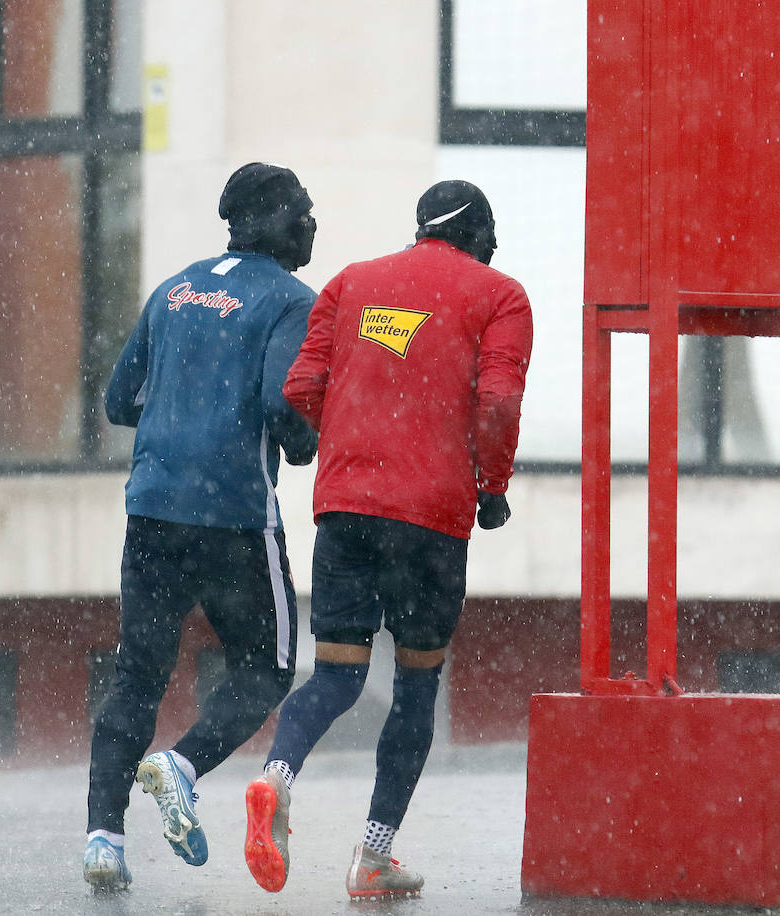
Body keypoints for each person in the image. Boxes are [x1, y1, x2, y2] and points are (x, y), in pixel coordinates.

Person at [242, 179, 533, 898]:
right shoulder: (501, 296)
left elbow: (301, 388)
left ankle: (276, 774)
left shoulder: (351, 282)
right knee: (415, 685)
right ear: (480, 233)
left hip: (345, 509)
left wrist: (351, 439)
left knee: (336, 673)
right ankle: (372, 858)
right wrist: (491, 486)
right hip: (430, 518)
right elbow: (497, 401)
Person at [82, 162, 320, 892]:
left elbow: (120, 401)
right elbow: (286, 408)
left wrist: (181, 404)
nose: (313, 223)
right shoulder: (290, 301)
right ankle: (180, 767)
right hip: (234, 515)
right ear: (270, 218)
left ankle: (102, 839)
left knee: (139, 673)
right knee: (270, 665)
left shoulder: (174, 288)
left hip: (151, 507)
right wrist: (306, 442)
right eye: (304, 212)